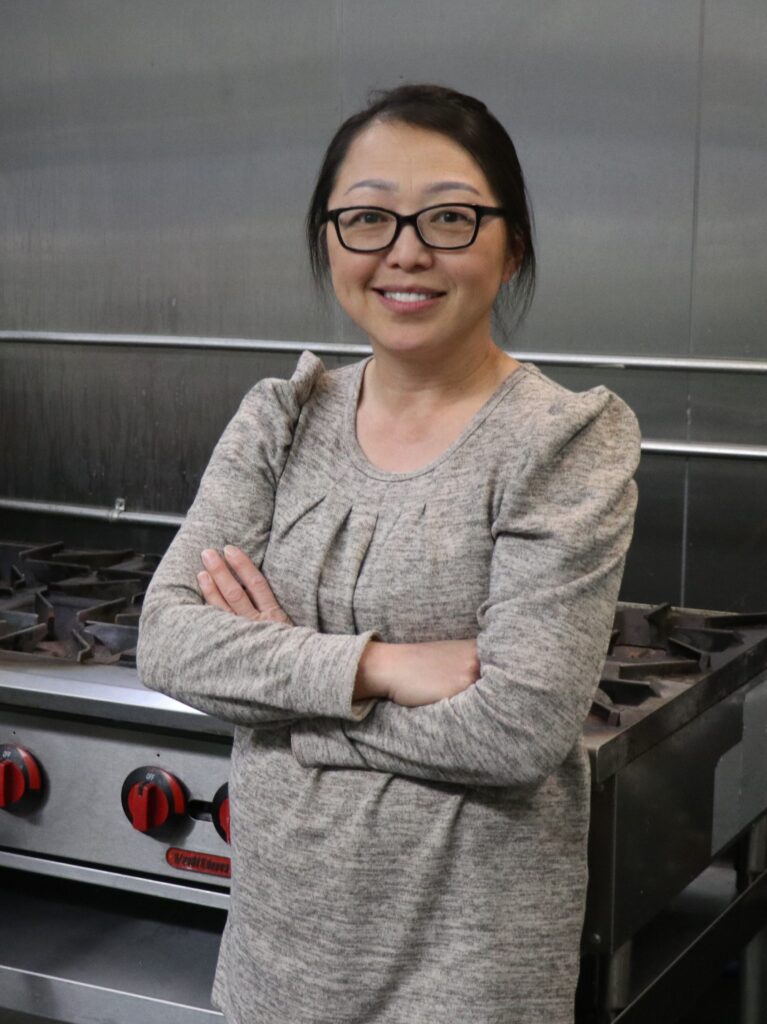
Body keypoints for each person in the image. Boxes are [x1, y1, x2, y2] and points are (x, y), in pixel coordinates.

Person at [137, 83, 640, 1024]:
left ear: (512, 243)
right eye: (366, 218)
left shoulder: (564, 441)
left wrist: (277, 707)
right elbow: (166, 640)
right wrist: (383, 666)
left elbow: (514, 731)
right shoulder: (280, 420)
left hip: (464, 974)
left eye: (449, 218)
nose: (405, 251)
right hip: (274, 960)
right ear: (328, 238)